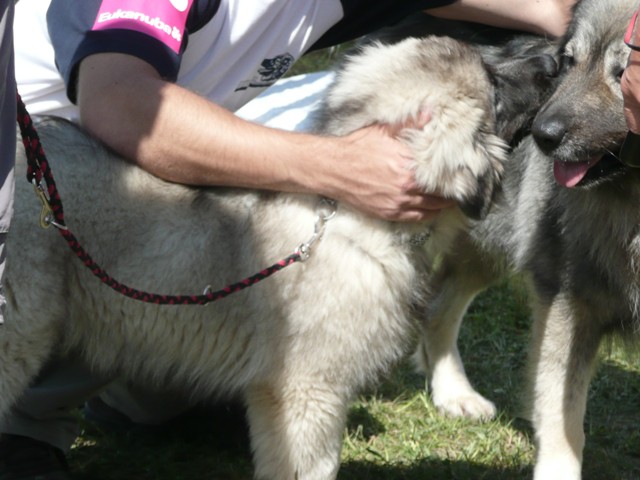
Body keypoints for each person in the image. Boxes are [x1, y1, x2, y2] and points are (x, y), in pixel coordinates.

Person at [1, 1, 576, 479]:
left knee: (199, 361)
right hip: (34, 187)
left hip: (156, 209)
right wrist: (337, 166)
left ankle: (137, 393)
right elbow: (121, 107)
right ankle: (29, 424)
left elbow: (551, 8)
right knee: (44, 324)